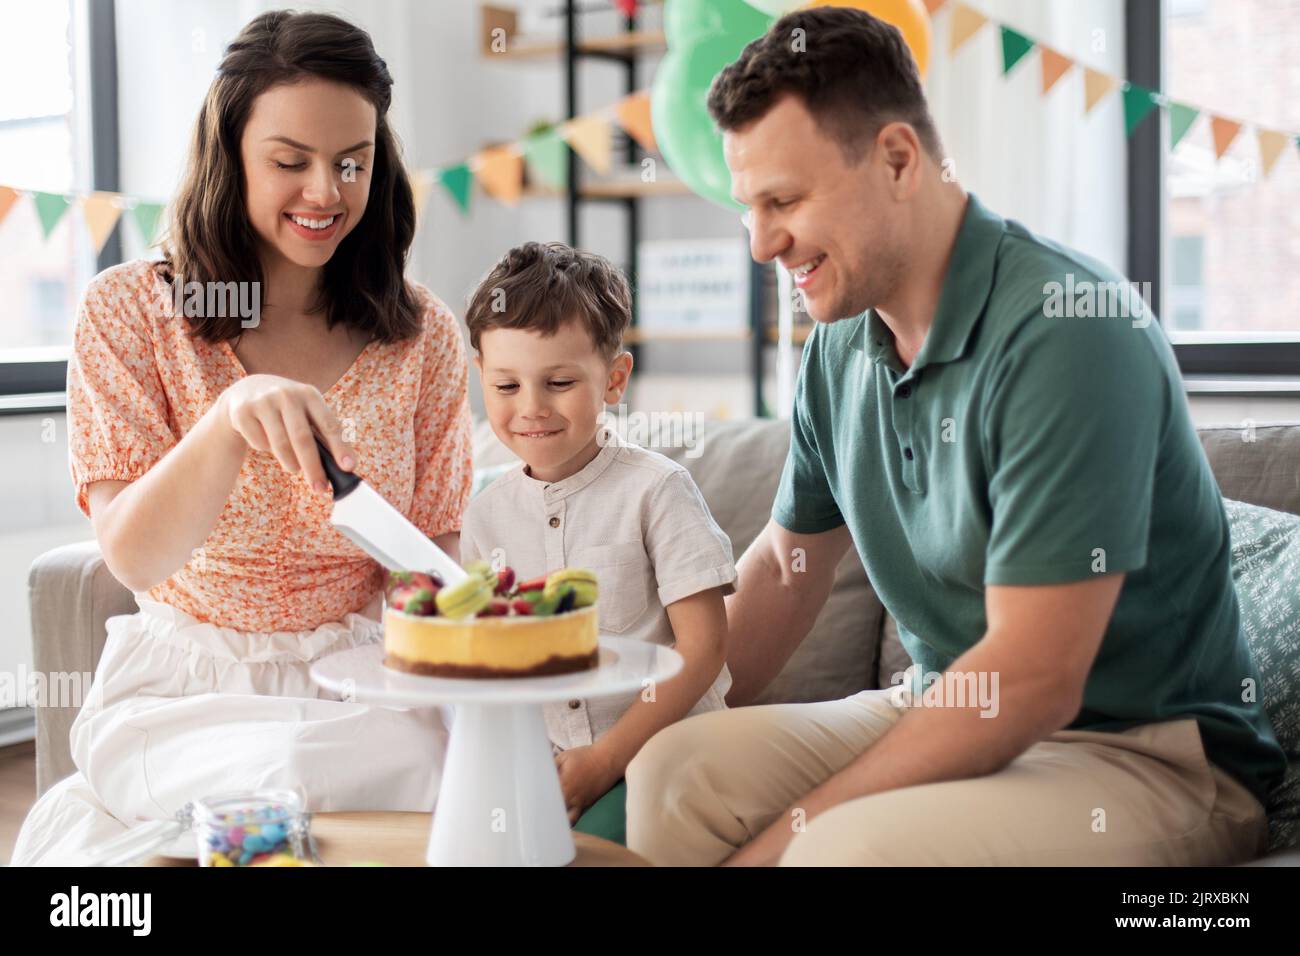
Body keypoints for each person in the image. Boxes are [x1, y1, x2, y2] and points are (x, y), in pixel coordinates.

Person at [624, 6, 1287, 867]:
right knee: (673, 775)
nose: (760, 244)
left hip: (1136, 751)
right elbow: (785, 574)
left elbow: (1031, 679)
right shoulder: (839, 342)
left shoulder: (1066, 331)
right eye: (749, 207)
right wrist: (617, 727)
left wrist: (787, 836)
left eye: (782, 200)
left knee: (842, 853)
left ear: (898, 158)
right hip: (936, 700)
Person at [12, 11, 471, 865]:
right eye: (290, 161)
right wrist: (228, 422)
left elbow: (432, 557)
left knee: (438, 798)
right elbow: (135, 557)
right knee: (279, 778)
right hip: (185, 689)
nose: (326, 193)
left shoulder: (423, 335)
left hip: (364, 682)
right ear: (230, 155)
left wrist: (483, 664)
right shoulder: (132, 312)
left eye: (352, 163)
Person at [458, 241, 735, 844]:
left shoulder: (658, 490)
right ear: (480, 376)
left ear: (614, 380)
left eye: (559, 381)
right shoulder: (484, 517)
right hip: (554, 768)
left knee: (591, 853)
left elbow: (705, 648)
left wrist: (605, 761)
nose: (531, 408)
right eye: (506, 387)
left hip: (669, 755)